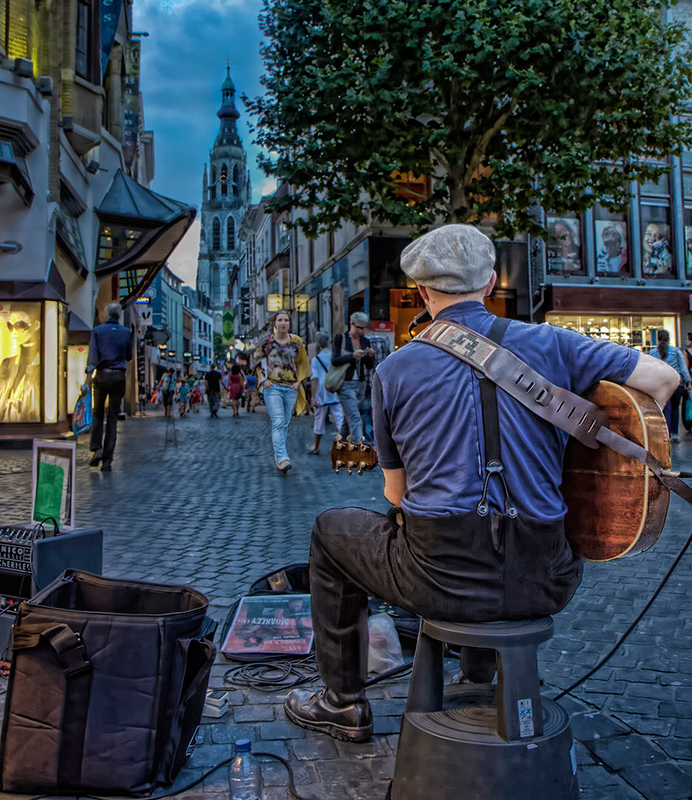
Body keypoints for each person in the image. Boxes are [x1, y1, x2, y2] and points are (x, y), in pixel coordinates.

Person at [283, 224, 679, 744]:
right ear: (491, 282)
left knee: (330, 532)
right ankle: (476, 679)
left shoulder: (394, 371)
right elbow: (665, 379)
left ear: (421, 293)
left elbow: (397, 499)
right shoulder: (552, 342)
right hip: (548, 575)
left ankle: (342, 702)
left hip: (440, 580)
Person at [253, 310, 310, 473]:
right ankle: (283, 457)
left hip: (290, 387)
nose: (283, 323)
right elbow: (255, 361)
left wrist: (299, 382)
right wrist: (263, 380)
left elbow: (303, 363)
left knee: (285, 424)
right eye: (280, 320)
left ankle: (279, 458)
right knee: (278, 422)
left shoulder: (296, 341)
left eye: (286, 320)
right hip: (273, 387)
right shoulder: (267, 341)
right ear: (274, 323)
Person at [86, 303, 133, 472]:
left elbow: (92, 356)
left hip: (102, 375)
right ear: (119, 316)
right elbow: (129, 356)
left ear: (106, 314)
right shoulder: (127, 332)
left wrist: (88, 376)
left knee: (98, 413)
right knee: (112, 418)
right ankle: (107, 462)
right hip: (119, 376)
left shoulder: (97, 331)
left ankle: (96, 448)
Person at [0, 306, 42, 422]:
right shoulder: (7, 364)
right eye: (10, 326)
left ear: (36, 325)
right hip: (2, 425)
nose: (14, 332)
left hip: (28, 425)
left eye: (20, 325)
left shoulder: (42, 365)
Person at [332, 312, 375, 441]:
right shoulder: (341, 339)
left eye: (363, 328)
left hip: (360, 384)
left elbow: (369, 366)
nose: (361, 331)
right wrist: (352, 356)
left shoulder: (365, 341)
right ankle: (360, 449)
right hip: (345, 382)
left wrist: (370, 356)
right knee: (355, 416)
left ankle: (341, 443)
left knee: (348, 417)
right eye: (358, 328)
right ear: (351, 324)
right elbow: (335, 360)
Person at [649, 330, 690, 441]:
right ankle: (674, 433)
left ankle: (665, 432)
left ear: (658, 339)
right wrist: (687, 381)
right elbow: (683, 368)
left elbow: (650, 369)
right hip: (676, 384)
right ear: (668, 338)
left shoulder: (653, 352)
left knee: (665, 408)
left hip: (660, 384)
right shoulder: (676, 351)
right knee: (675, 408)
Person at [308, 330, 344, 454]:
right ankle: (343, 444)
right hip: (334, 388)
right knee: (340, 418)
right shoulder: (334, 356)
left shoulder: (315, 360)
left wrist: (313, 396)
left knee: (319, 419)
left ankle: (316, 446)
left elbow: (314, 379)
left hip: (321, 391)